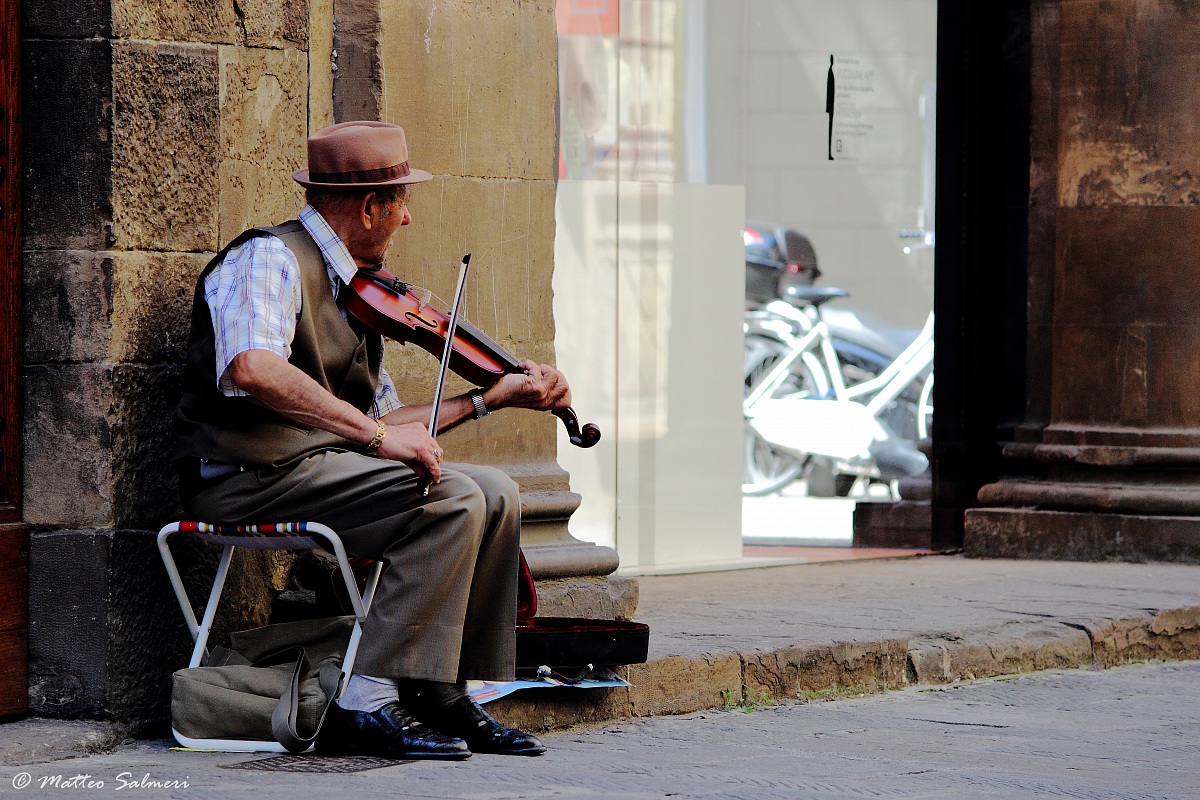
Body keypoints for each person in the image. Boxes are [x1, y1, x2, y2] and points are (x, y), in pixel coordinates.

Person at [172, 120, 574, 760]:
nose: (407, 219)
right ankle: (367, 700)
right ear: (369, 206)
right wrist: (376, 435)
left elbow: (392, 420)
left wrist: (486, 399)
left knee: (497, 490)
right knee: (452, 497)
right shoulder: (269, 258)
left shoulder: (360, 293)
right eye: (402, 202)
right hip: (250, 480)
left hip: (320, 470)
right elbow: (252, 366)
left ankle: (441, 692)